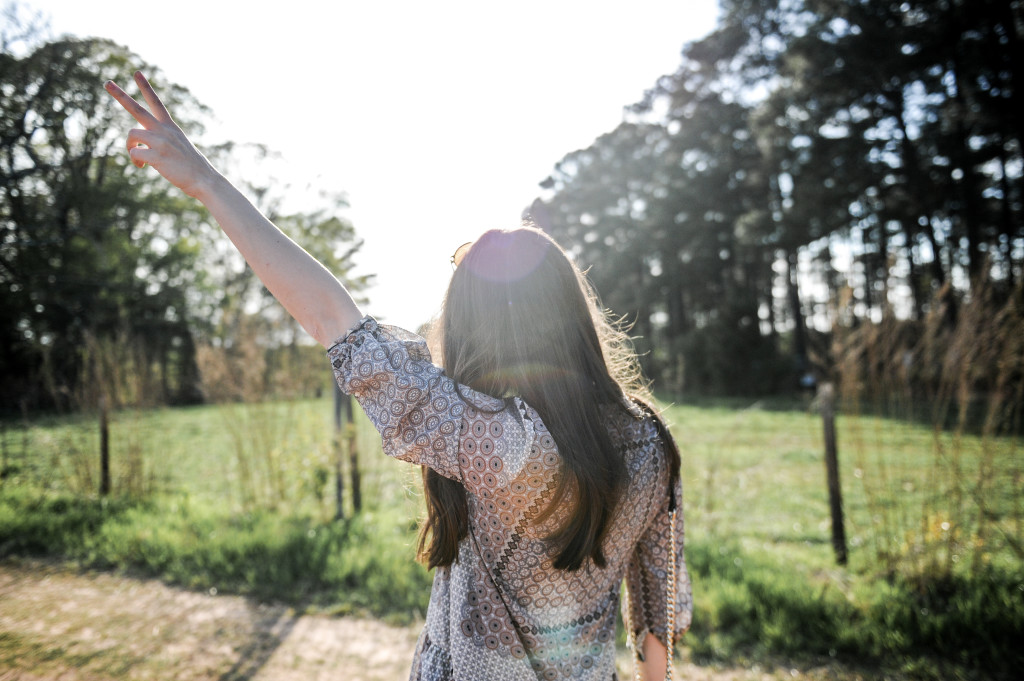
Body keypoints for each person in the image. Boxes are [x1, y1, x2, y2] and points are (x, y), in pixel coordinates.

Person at [105, 71, 692, 681]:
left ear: (476, 328)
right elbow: (656, 621)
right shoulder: (651, 443)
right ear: (572, 315)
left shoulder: (505, 445)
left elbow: (336, 319)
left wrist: (205, 183)